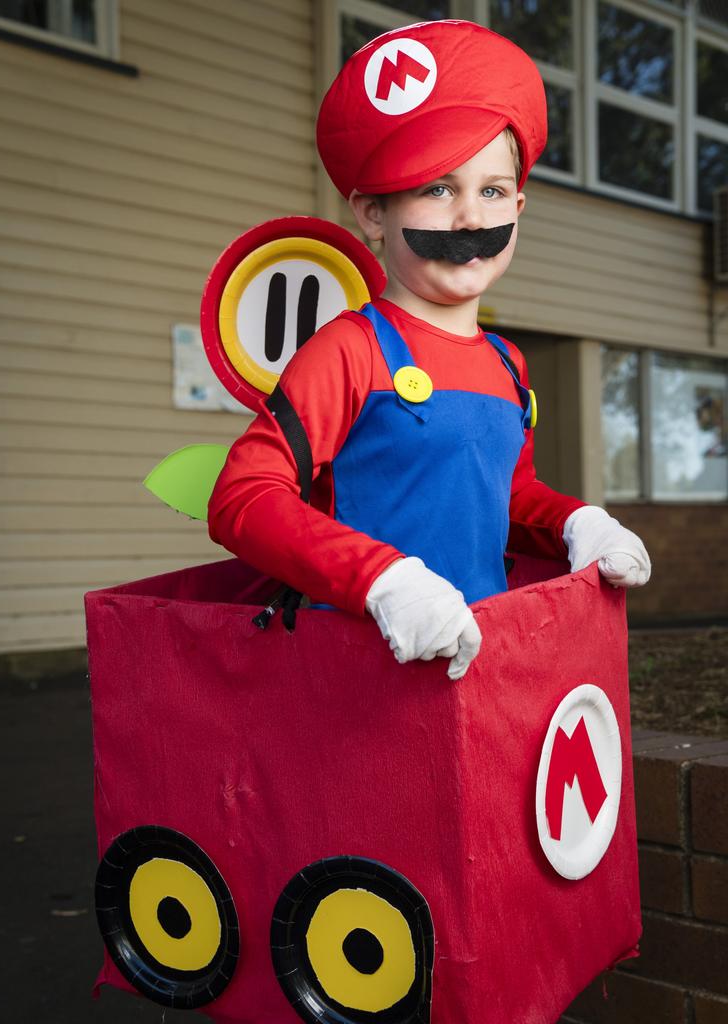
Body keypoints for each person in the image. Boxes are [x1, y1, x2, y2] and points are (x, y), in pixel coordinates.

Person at [208, 19, 650, 679]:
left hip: (487, 669)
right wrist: (380, 580)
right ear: (372, 213)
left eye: (492, 191)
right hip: (355, 676)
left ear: (519, 207)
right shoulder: (348, 350)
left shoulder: (508, 363)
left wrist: (575, 523)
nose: (471, 218)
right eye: (437, 188)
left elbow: (507, 493)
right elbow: (242, 498)